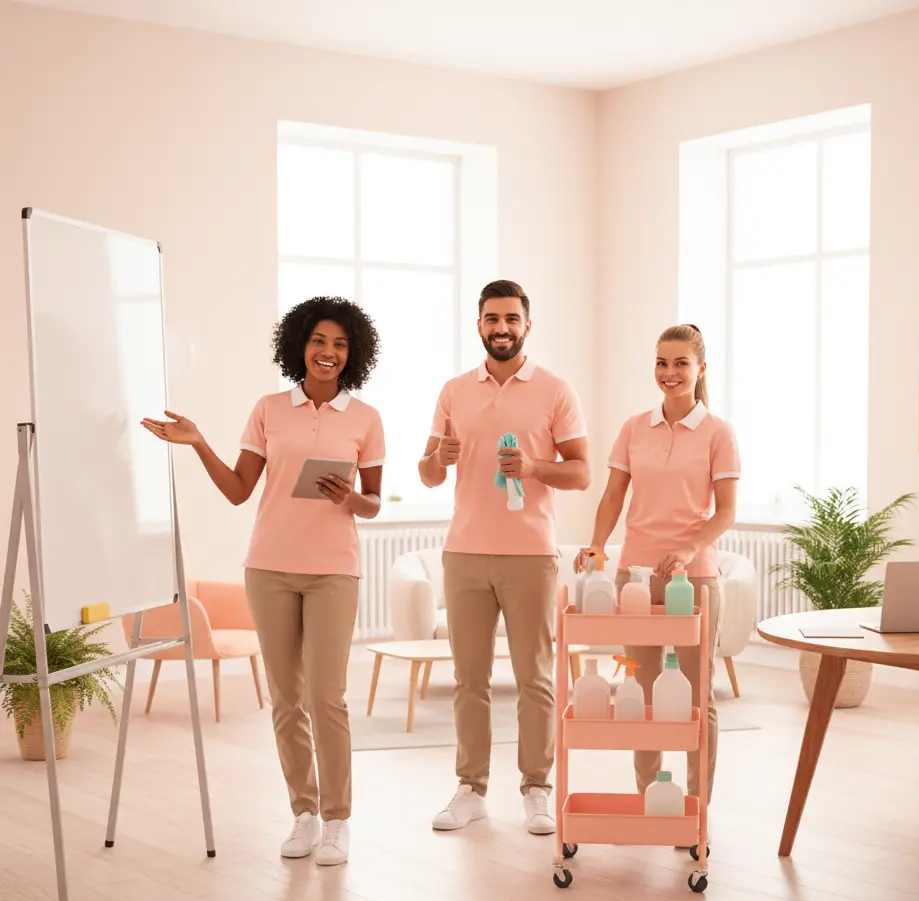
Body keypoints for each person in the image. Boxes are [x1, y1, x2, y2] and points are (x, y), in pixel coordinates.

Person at [142, 297, 385, 866]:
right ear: (300, 344)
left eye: (341, 344)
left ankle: (337, 820)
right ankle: (303, 813)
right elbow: (237, 490)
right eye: (320, 340)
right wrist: (199, 441)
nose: (329, 352)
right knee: (285, 699)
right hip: (269, 567)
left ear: (354, 355)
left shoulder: (366, 419)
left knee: (327, 697)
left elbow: (372, 503)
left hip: (334, 570)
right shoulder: (270, 409)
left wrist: (351, 498)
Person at [419, 280, 590, 834]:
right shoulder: (453, 391)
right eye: (493, 319)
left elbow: (582, 472)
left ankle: (537, 788)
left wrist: (536, 467)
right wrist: (437, 459)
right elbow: (427, 474)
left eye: (511, 319)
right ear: (479, 325)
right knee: (470, 679)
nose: (502, 328)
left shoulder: (556, 390)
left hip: (529, 554)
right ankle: (471, 788)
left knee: (535, 677)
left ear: (527, 325)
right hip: (464, 551)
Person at [575, 323, 739, 816]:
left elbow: (726, 511)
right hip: (635, 579)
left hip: (696, 579)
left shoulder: (718, 433)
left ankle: (695, 804)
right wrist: (597, 546)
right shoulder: (633, 428)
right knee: (640, 692)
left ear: (700, 369)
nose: (670, 373)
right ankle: (651, 798)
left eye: (681, 364)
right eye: (662, 363)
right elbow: (612, 496)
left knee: (695, 695)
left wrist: (689, 550)